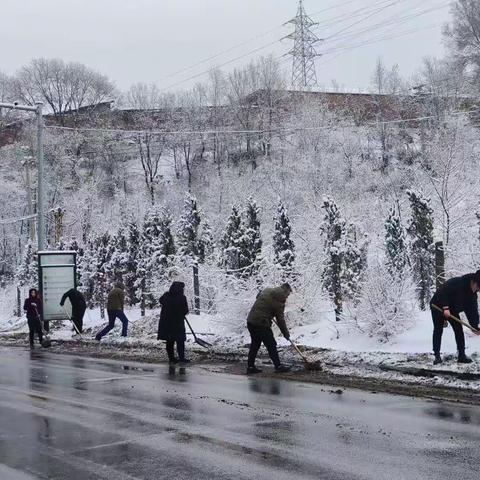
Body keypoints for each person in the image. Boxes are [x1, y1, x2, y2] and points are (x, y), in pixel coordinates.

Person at [430, 270, 480, 365]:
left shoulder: (472, 295)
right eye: (477, 287)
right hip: (437, 305)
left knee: (458, 329)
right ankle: (437, 356)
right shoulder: (458, 283)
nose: (477, 290)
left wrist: (474, 326)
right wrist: (445, 307)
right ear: (474, 282)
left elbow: (472, 311)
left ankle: (461, 355)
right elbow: (442, 292)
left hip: (452, 309)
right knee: (438, 329)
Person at [246, 283, 292, 374]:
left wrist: (267, 305)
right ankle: (278, 366)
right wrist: (286, 334)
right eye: (287, 295)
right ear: (285, 291)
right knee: (271, 344)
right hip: (261, 323)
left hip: (251, 321)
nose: (287, 297)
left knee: (255, 344)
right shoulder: (280, 302)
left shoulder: (267, 290)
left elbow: (257, 296)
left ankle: (250, 367)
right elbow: (280, 320)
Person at [157, 281, 190, 364]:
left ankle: (171, 359)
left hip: (166, 323)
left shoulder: (166, 296)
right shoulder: (182, 297)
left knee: (169, 340)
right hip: (177, 323)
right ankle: (181, 358)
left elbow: (161, 301)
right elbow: (185, 310)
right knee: (180, 341)